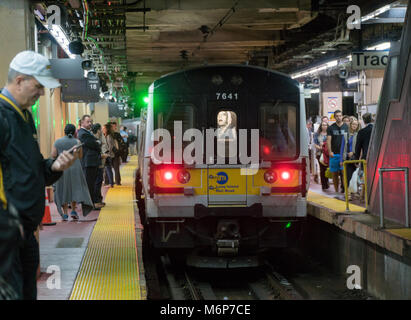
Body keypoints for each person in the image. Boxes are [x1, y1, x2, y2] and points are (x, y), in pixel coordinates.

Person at [0, 50, 79, 299]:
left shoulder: (24, 117)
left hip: (25, 234)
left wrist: (54, 167)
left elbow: (30, 171)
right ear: (20, 80)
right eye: (38, 86)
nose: (42, 93)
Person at [51, 124, 94, 221]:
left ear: (64, 131)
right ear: (75, 132)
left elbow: (53, 155)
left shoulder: (57, 142)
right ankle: (74, 210)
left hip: (62, 167)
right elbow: (80, 156)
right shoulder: (77, 142)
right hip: (75, 167)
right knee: (75, 188)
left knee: (63, 189)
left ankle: (65, 213)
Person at [78, 115, 104, 209]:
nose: (90, 123)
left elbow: (96, 143)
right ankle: (88, 205)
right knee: (89, 184)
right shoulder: (82, 133)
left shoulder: (87, 133)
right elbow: (94, 144)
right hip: (88, 162)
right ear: (82, 122)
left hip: (91, 162)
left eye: (90, 121)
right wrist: (97, 143)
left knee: (91, 184)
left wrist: (97, 143)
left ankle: (91, 203)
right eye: (88, 122)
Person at [327, 110, 348, 193]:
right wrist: (330, 151)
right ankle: (336, 191)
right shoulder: (331, 127)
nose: (339, 117)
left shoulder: (346, 127)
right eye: (337, 116)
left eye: (340, 116)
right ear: (334, 117)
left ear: (342, 116)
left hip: (344, 154)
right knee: (335, 174)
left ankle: (346, 191)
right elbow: (328, 140)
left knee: (344, 173)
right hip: (334, 154)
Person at [340, 118, 360, 199]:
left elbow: (360, 147)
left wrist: (354, 152)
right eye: (353, 124)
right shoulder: (346, 135)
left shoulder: (359, 134)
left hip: (356, 158)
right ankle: (347, 193)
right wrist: (341, 160)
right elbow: (342, 148)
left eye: (356, 124)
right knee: (347, 176)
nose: (354, 126)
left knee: (355, 176)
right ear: (350, 125)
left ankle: (354, 192)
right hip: (347, 159)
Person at [91, 123, 108, 206]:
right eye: (100, 129)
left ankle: (98, 199)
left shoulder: (96, 137)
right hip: (97, 163)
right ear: (98, 130)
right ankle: (96, 201)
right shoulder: (93, 139)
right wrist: (102, 155)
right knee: (97, 182)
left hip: (98, 163)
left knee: (98, 181)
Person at [314, 121, 330, 190]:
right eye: (323, 125)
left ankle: (327, 182)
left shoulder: (329, 134)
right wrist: (320, 147)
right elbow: (315, 144)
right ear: (321, 126)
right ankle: (324, 185)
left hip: (328, 153)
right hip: (320, 154)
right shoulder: (317, 134)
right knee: (322, 169)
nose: (324, 126)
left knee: (327, 168)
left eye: (325, 125)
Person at [102, 123, 117, 187]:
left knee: (108, 169)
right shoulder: (108, 135)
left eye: (104, 128)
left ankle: (111, 183)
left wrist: (108, 153)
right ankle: (110, 182)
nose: (103, 129)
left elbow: (110, 146)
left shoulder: (108, 136)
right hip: (109, 154)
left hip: (108, 155)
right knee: (108, 169)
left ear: (107, 129)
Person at [110, 121, 124, 185]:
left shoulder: (117, 134)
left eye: (114, 126)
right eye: (112, 126)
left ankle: (117, 181)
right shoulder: (107, 134)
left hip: (115, 154)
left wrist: (119, 152)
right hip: (109, 154)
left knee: (116, 168)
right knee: (108, 168)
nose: (114, 127)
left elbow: (121, 143)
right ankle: (109, 181)